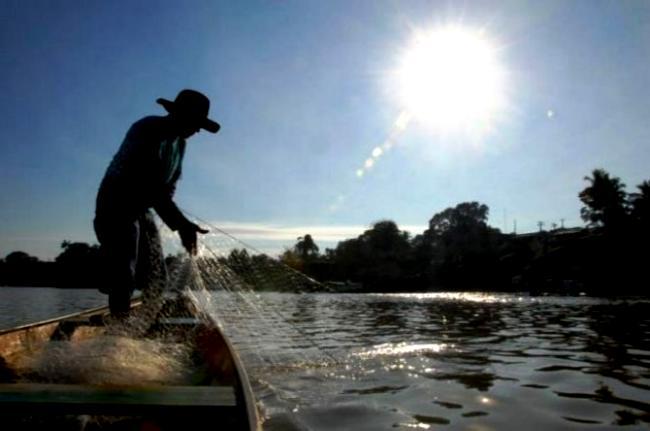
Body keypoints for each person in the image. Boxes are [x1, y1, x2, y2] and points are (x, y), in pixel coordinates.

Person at [94, 89, 219, 317]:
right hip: (115, 201)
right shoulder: (148, 129)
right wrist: (181, 224)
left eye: (199, 125)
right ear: (177, 115)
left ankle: (144, 323)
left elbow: (167, 189)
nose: (197, 130)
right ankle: (118, 330)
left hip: (142, 208)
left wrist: (182, 225)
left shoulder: (180, 145)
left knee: (157, 275)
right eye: (194, 122)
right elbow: (149, 185)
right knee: (124, 269)